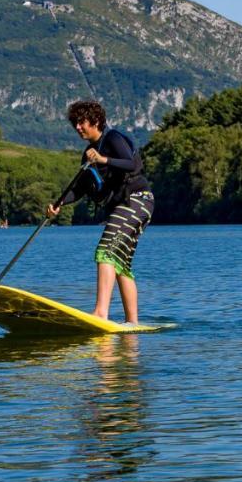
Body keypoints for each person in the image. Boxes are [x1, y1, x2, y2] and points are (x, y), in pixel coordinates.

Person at [48, 100, 154, 324]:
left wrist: (102, 159)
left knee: (105, 252)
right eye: (74, 124)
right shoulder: (88, 153)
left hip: (136, 199)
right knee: (120, 263)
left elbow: (131, 165)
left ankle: (100, 312)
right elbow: (79, 190)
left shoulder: (113, 138)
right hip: (128, 205)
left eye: (81, 122)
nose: (77, 127)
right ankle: (132, 324)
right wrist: (58, 204)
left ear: (95, 121)